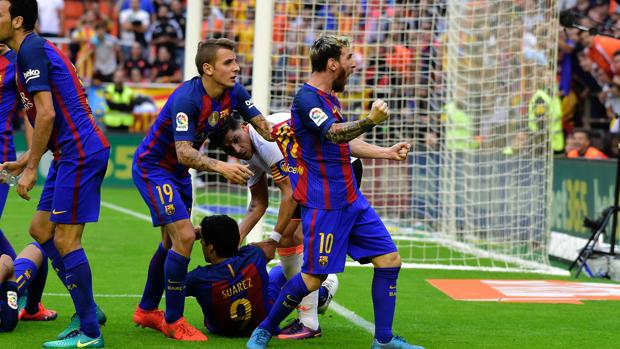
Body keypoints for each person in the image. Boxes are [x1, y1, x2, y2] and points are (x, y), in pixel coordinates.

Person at [247, 35, 422, 349]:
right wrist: (370, 120)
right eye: (349, 57)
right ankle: (263, 329)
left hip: (352, 200)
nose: (354, 63)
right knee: (312, 278)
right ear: (332, 64)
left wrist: (385, 152)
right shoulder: (306, 99)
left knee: (390, 260)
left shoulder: (329, 98)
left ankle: (383, 339)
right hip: (325, 205)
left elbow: (342, 141)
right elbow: (333, 132)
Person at [131, 37, 273, 341]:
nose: (236, 67)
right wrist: (223, 166)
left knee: (172, 243)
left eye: (235, 61)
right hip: (154, 168)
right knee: (183, 236)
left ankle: (146, 309)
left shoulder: (234, 92)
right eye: (228, 63)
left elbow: (264, 125)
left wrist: (293, 134)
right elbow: (183, 151)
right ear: (207, 69)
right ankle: (173, 321)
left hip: (179, 173)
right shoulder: (187, 99)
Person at [0, 1, 110, 347]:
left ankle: (90, 331)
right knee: (40, 229)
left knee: (65, 240)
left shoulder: (30, 49)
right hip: (68, 153)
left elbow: (46, 114)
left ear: (17, 21)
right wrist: (29, 158)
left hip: (80, 152)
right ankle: (87, 308)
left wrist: (32, 167)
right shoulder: (27, 52)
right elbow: (57, 110)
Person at [186, 215, 337, 337]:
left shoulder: (198, 278)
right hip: (263, 320)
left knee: (278, 273)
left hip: (220, 330)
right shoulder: (254, 254)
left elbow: (170, 279)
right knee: (280, 272)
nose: (202, 245)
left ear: (211, 248)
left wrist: (184, 240)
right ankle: (321, 294)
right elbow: (267, 243)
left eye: (203, 242)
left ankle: (319, 297)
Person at [0, 242, 58, 332]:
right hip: (5, 313)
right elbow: (6, 260)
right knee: (38, 248)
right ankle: (33, 310)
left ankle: (32, 308)